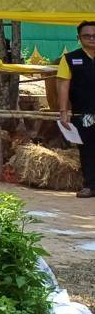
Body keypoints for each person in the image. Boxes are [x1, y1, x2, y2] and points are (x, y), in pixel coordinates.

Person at [54, 20, 95, 198]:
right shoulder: (69, 59)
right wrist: (63, 112)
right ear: (79, 38)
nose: (91, 38)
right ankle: (90, 186)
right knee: (87, 149)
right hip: (84, 113)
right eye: (87, 36)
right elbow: (63, 84)